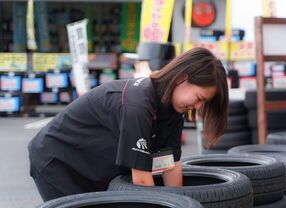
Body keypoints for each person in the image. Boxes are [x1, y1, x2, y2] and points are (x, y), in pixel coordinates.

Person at [28, 47, 229, 201]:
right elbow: (142, 181)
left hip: (94, 168)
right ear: (182, 78)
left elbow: (170, 166)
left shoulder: (174, 109)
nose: (198, 105)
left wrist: (179, 203)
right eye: (199, 97)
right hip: (57, 162)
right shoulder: (139, 104)